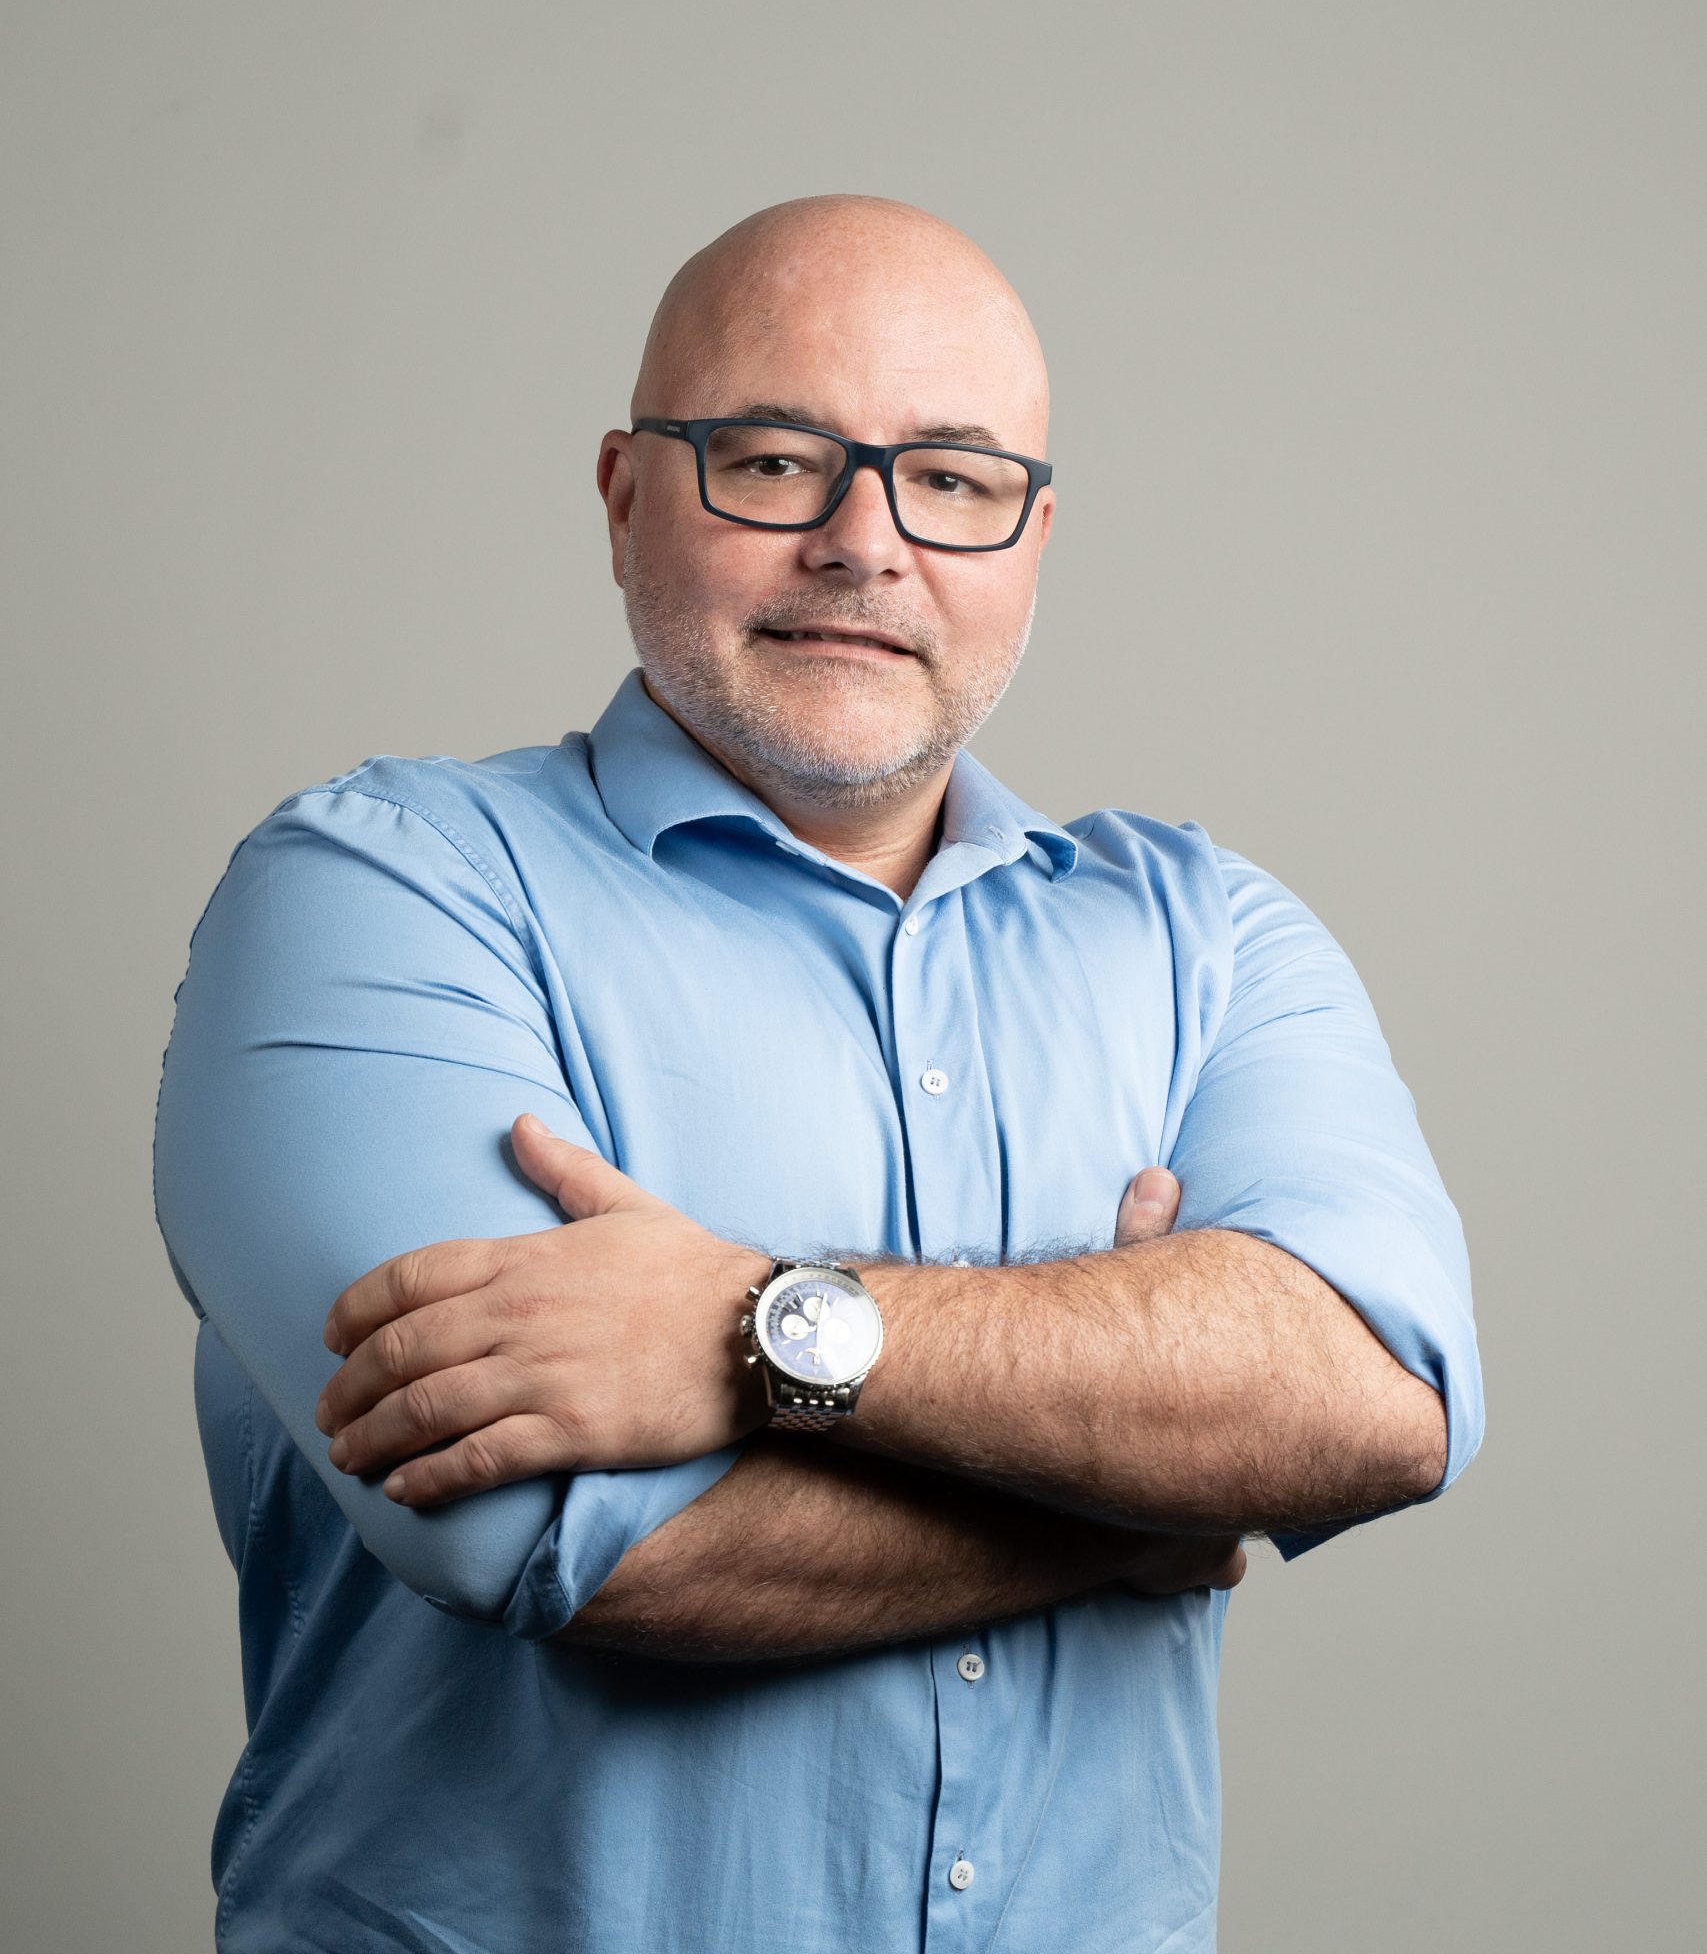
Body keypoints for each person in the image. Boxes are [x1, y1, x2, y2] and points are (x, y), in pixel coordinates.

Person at [153, 193, 1483, 1954]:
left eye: (952, 477)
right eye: (775, 460)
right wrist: (1152, 1488)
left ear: (1034, 532)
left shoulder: (1204, 940)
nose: (867, 543)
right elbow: (558, 1544)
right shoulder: (377, 896)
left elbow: (1380, 1401)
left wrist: (751, 1327)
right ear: (626, 493)